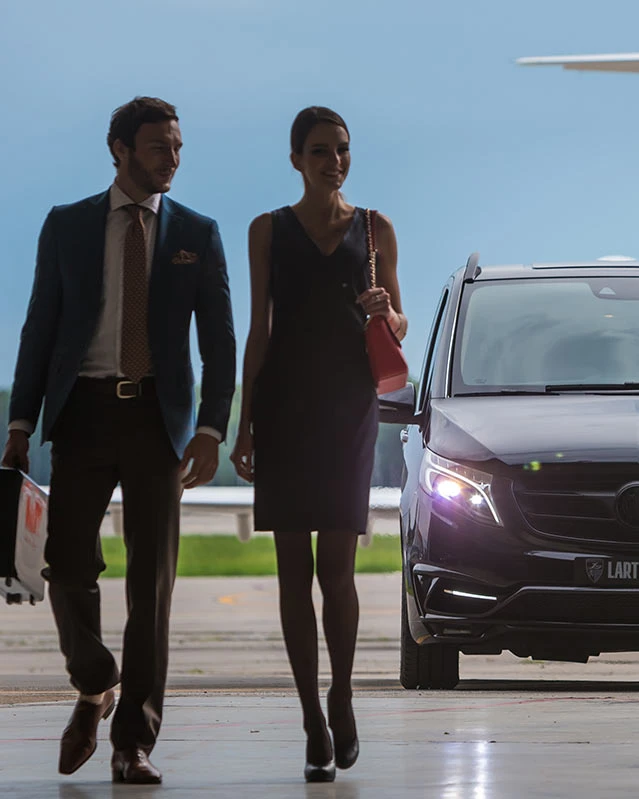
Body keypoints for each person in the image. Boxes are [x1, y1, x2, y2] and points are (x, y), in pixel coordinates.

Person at [1, 97, 236, 785]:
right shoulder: (68, 226)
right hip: (83, 414)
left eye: (178, 145)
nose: (172, 158)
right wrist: (20, 424)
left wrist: (210, 427)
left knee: (150, 589)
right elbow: (38, 330)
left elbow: (219, 344)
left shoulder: (197, 231)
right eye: (159, 146)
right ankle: (96, 678)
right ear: (120, 149)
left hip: (157, 425)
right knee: (67, 567)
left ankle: (133, 739)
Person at [230, 106, 406, 783]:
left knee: (337, 564)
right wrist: (246, 424)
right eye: (319, 151)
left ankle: (342, 692)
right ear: (296, 159)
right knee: (290, 571)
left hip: (347, 405)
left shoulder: (374, 228)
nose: (333, 161)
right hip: (283, 408)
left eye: (341, 149)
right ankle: (310, 715)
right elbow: (258, 330)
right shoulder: (267, 231)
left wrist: (384, 309)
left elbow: (399, 317)